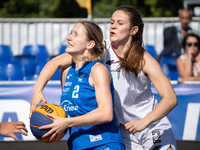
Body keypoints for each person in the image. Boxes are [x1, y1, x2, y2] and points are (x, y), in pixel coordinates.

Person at [30, 5, 178, 150]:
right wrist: (38, 89)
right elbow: (54, 63)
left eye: (120, 23)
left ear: (133, 30)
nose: (113, 27)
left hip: (151, 124)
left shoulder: (144, 59)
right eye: (112, 22)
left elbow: (170, 99)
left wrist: (144, 122)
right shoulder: (101, 50)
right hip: (125, 129)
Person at [36, 21, 125, 150]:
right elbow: (69, 113)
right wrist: (55, 125)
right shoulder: (67, 72)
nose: (69, 37)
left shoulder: (97, 69)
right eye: (70, 33)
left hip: (103, 143)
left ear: (90, 44)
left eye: (75, 34)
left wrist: (66, 122)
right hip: (77, 145)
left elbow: (106, 114)